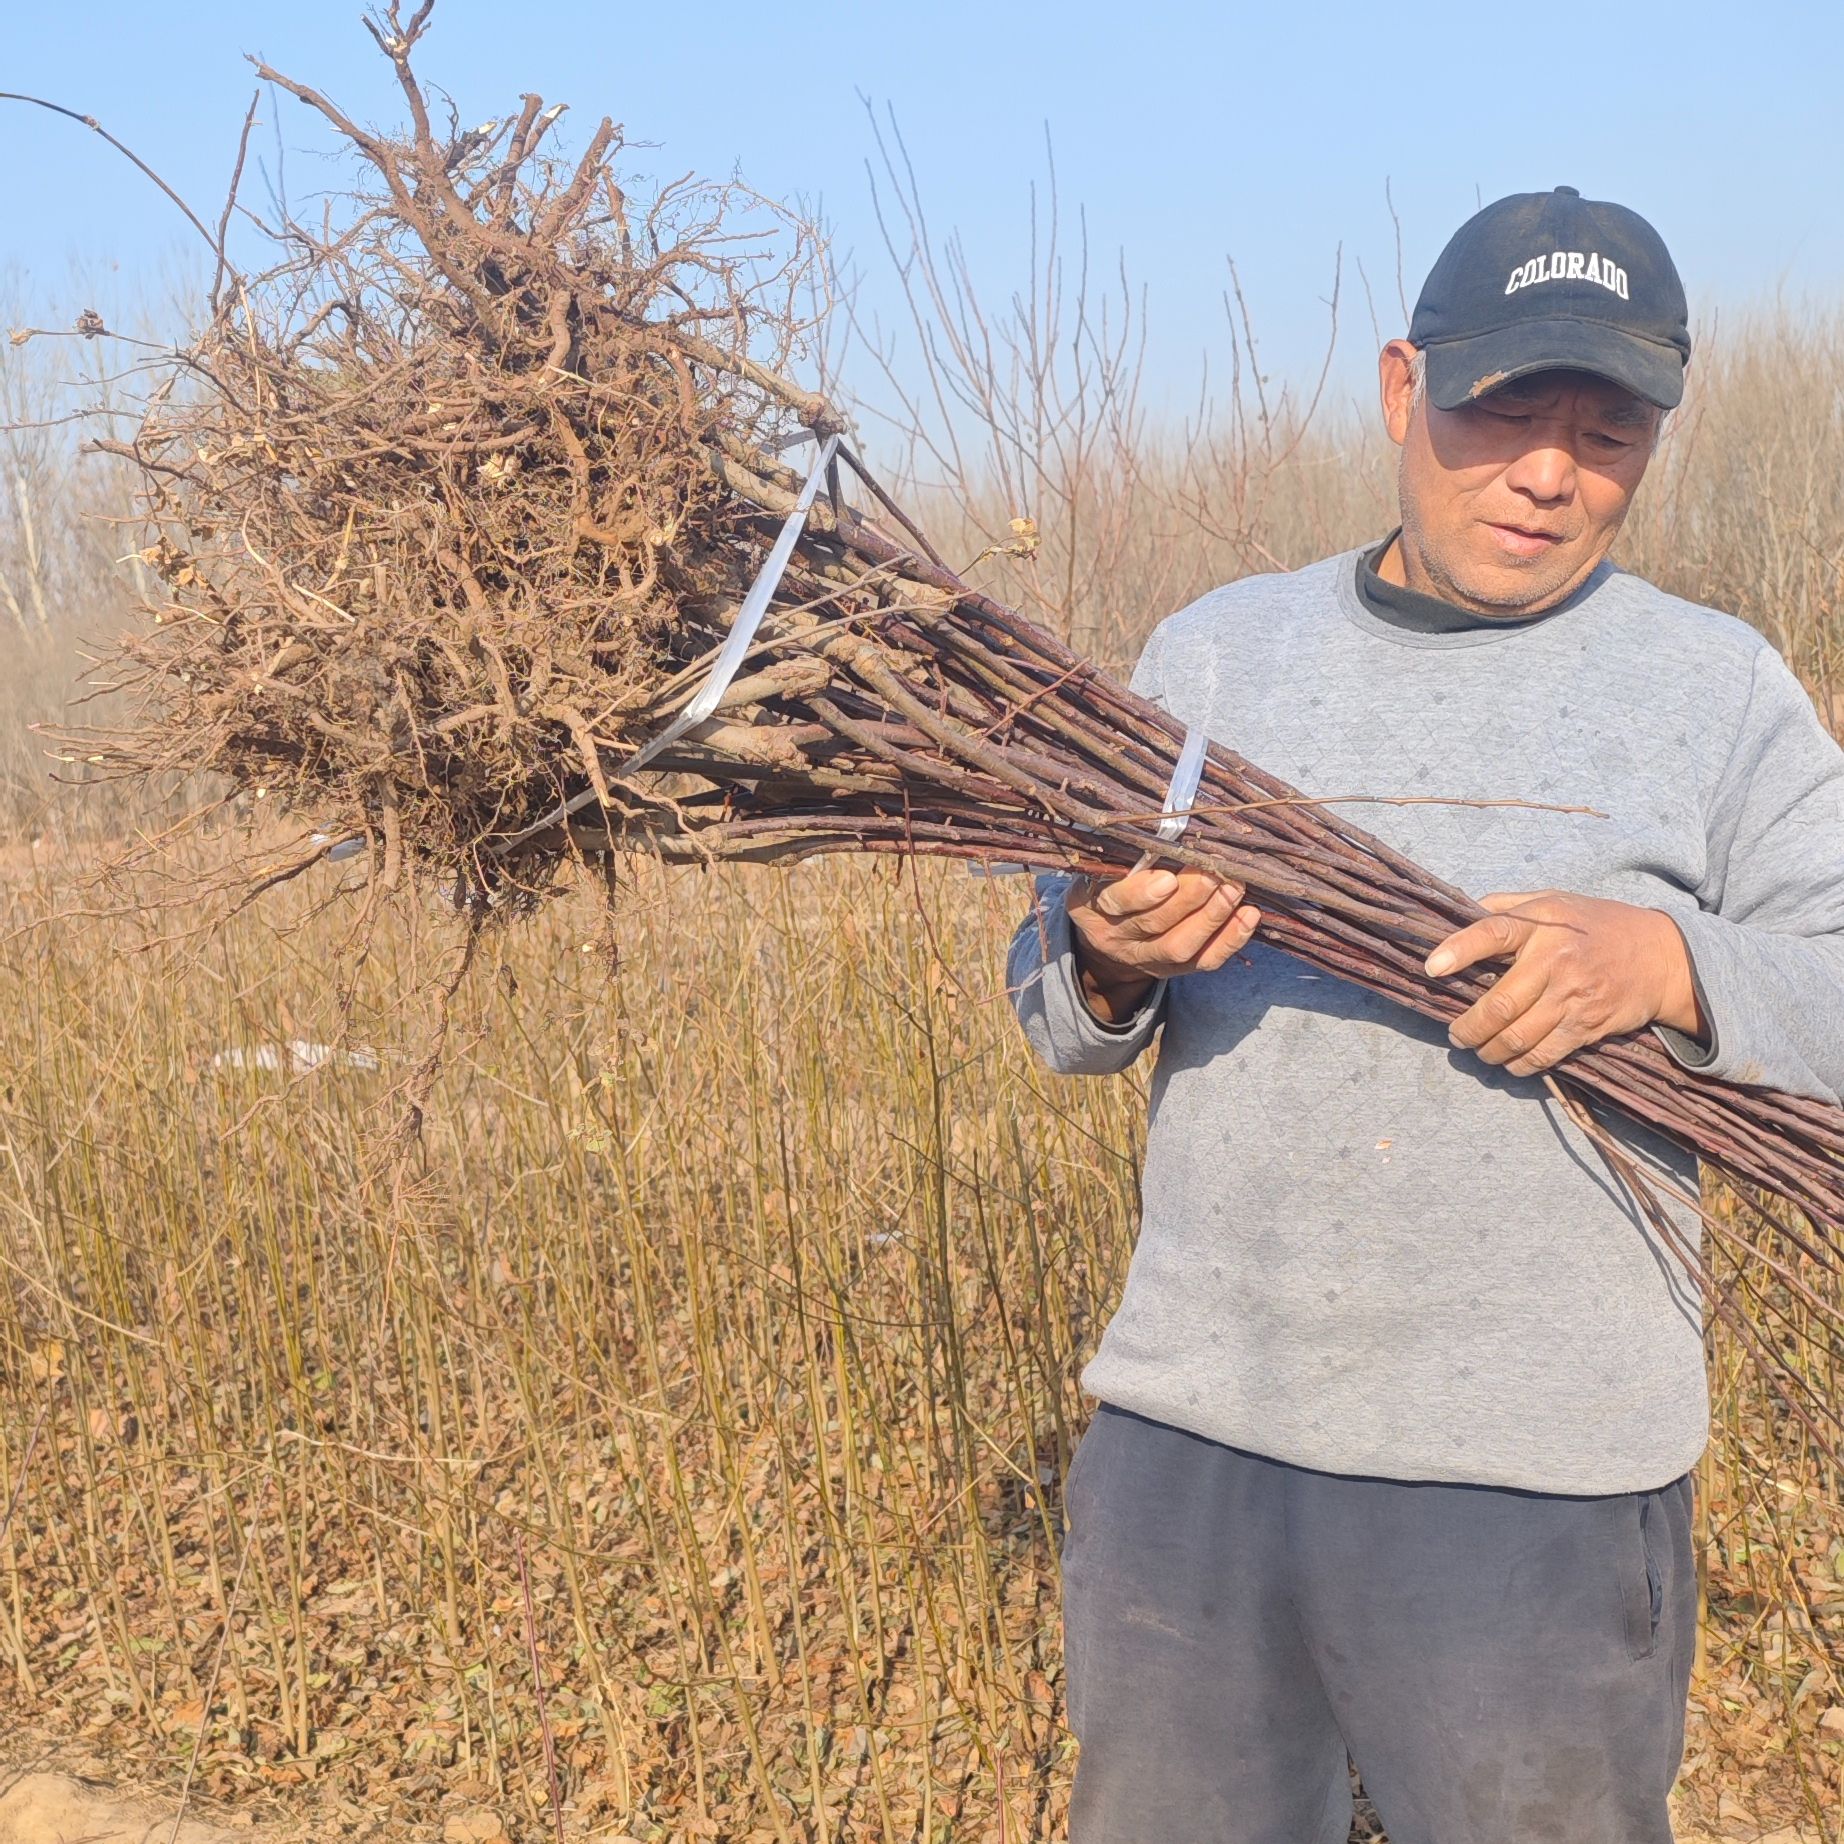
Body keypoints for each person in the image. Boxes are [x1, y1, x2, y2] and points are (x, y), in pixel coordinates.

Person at [1006, 186, 1844, 1844]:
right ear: (1405, 391)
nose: (1549, 472)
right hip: (1200, 1446)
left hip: (1536, 1482)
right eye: (1505, 413)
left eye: (1604, 432)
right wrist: (1109, 947)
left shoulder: (1716, 688)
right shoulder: (1219, 654)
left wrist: (1669, 967)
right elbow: (1057, 1003)